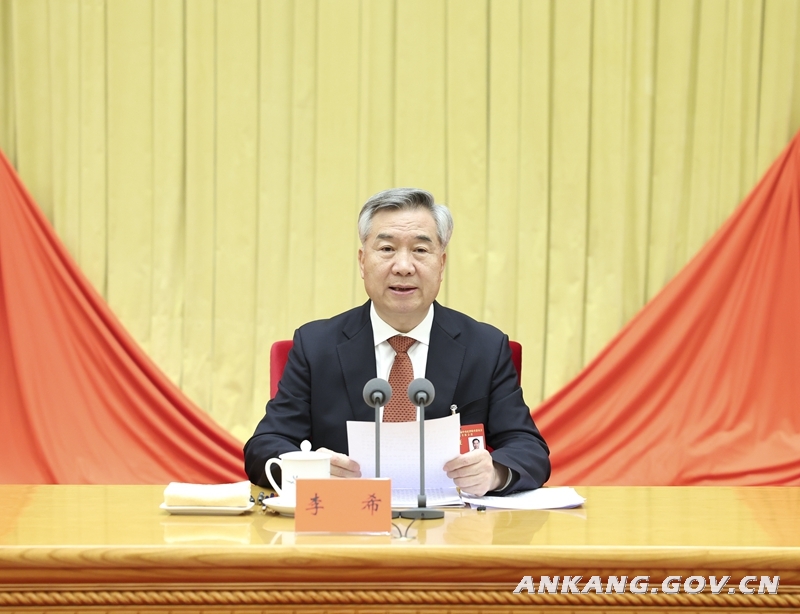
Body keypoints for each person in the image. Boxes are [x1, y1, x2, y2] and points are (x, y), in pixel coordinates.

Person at [244, 188, 550, 496]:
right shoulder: (316, 346)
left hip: (451, 522)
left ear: (441, 264)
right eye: (387, 249)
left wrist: (494, 473)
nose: (403, 266)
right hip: (345, 519)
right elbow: (264, 446)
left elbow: (529, 449)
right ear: (362, 262)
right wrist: (309, 470)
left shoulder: (484, 348)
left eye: (420, 250)